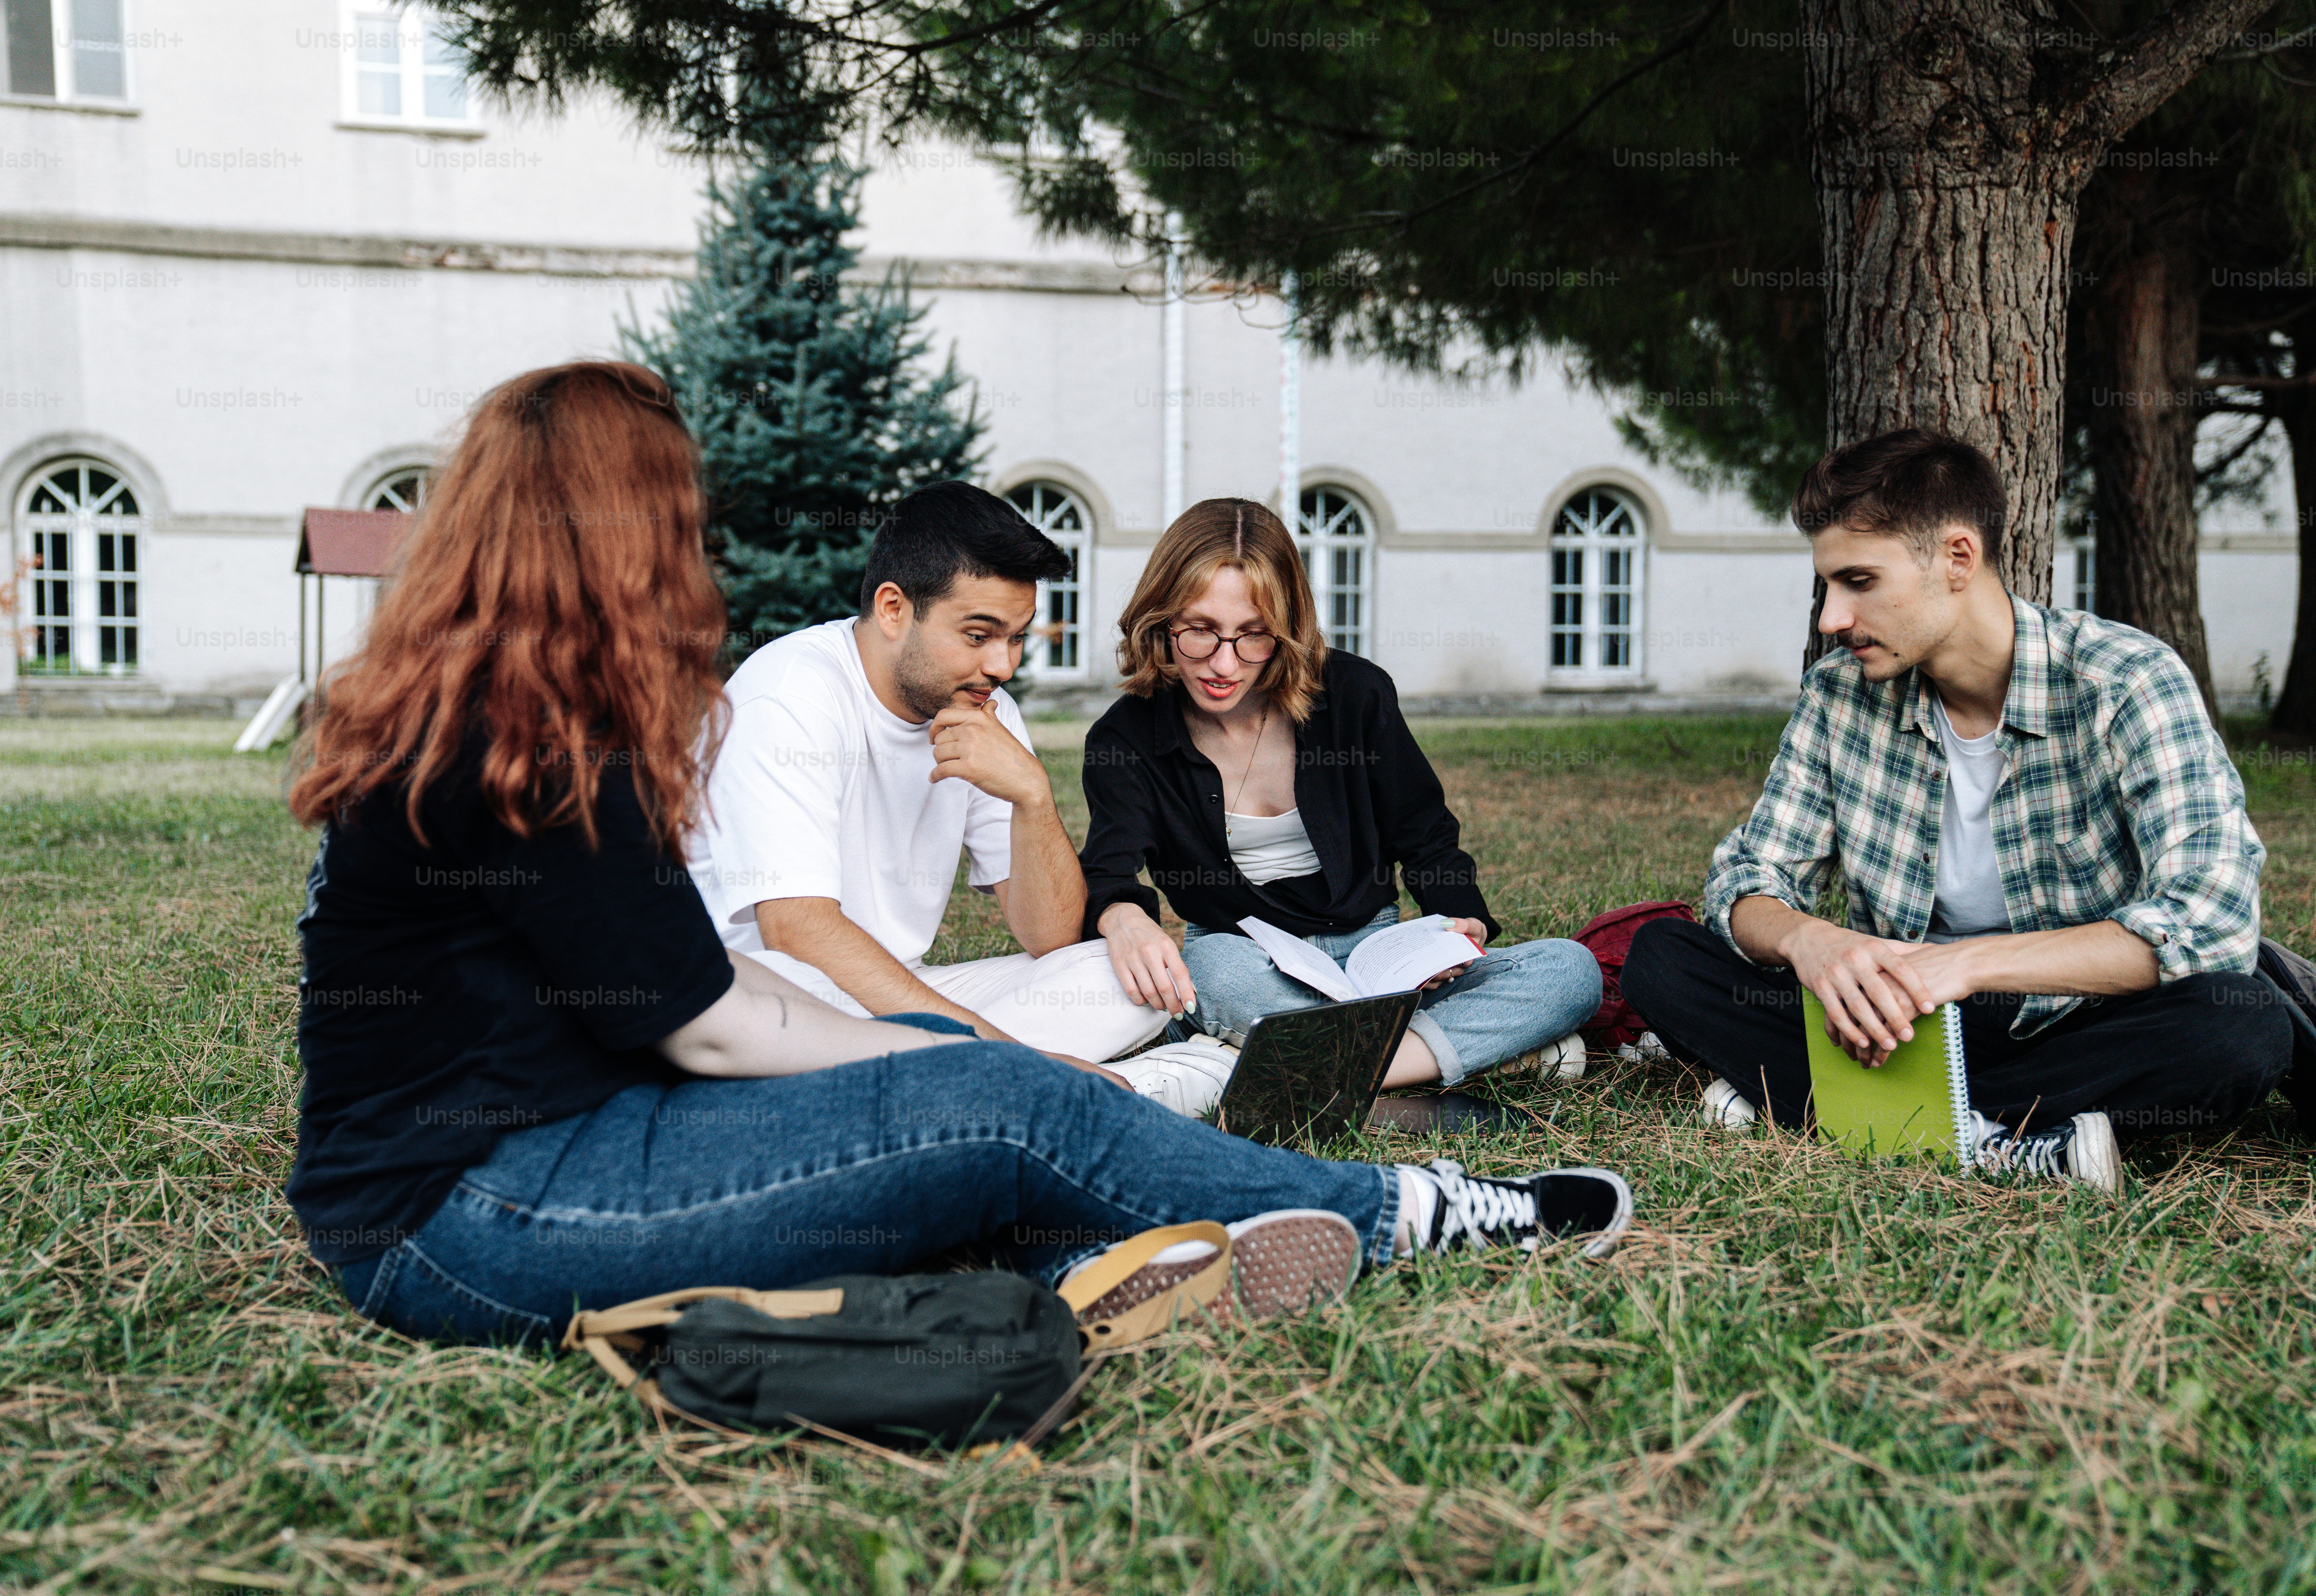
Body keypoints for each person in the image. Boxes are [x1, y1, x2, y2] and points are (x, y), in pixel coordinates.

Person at [282, 361, 1635, 1346]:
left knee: (992, 1105)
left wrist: (1019, 847)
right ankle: (1412, 1210)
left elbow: (680, 1012)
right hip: (473, 1212)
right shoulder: (528, 734)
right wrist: (962, 1063)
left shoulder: (501, 696)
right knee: (997, 1105)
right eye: (675, 514)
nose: (692, 546)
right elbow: (718, 1014)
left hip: (584, 1129)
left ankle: (1113, 1253)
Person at [1619, 428, 2290, 1193]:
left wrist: (1961, 967)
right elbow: (1749, 876)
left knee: (2244, 1025)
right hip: (1893, 1020)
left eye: (1859, 581)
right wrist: (1813, 942)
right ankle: (2010, 1136)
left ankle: (1845, 1111)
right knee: (1662, 959)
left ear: (1958, 559)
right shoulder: (1841, 694)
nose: (1832, 619)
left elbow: (2212, 922)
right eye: (1828, 585)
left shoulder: (2127, 679)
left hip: (2071, 1017)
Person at [1079, 498, 1605, 1116]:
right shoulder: (1128, 739)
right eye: (1199, 630)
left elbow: (1426, 834)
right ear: (1160, 620)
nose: (1224, 664)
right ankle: (1425, 1060)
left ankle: (1309, 1071)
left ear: (1288, 628)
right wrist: (1122, 915)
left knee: (1570, 969)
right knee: (1213, 970)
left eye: (1253, 635)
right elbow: (1108, 867)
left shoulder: (1355, 694)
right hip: (1249, 963)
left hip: (1379, 959)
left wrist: (1462, 926)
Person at [682, 480, 1162, 1071]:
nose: (1003, 665)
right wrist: (1022, 1063)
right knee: (780, 996)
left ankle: (951, 1082)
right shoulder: (789, 694)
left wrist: (1032, 797)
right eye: (979, 635)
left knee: (1118, 981)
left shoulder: (985, 708)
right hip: (775, 1001)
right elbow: (794, 929)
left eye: (1016, 638)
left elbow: (1051, 939)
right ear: (893, 609)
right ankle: (1018, 1082)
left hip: (898, 994)